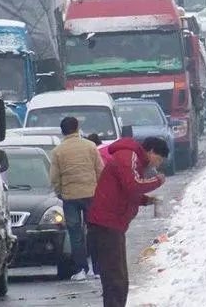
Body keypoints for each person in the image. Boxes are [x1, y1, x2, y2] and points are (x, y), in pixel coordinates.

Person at [87, 137, 168, 307]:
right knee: (115, 278)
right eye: (158, 159)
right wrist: (157, 181)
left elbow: (126, 191)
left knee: (119, 278)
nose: (156, 165)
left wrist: (146, 200)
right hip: (106, 223)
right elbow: (132, 185)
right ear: (151, 151)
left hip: (114, 225)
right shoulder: (128, 156)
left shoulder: (134, 160)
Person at [50, 117, 104, 281]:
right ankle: (97, 269)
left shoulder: (58, 151)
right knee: (93, 232)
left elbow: (54, 177)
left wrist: (60, 192)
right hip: (91, 194)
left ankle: (80, 269)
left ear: (62, 131)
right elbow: (100, 169)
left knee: (75, 234)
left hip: (70, 197)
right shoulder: (90, 146)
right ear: (77, 128)